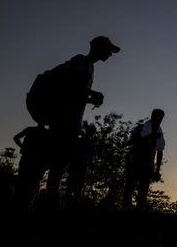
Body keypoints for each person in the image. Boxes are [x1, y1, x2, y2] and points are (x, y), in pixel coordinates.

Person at [44, 36, 120, 210]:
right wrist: (93, 93)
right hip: (64, 121)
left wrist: (89, 98)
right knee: (58, 164)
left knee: (60, 164)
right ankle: (50, 204)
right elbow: (71, 85)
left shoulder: (89, 66)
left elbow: (73, 93)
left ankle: (53, 201)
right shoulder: (81, 61)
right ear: (98, 48)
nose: (109, 54)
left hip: (69, 121)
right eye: (108, 50)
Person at [123, 109, 165, 211]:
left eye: (160, 118)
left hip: (147, 166)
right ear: (152, 116)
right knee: (129, 190)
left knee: (143, 193)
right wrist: (149, 137)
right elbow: (132, 141)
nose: (159, 120)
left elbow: (160, 151)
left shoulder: (159, 132)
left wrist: (157, 170)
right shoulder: (141, 128)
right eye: (157, 117)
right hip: (135, 163)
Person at [13, 125, 50, 211]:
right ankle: (25, 207)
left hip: (27, 161)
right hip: (36, 163)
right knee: (30, 186)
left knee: (22, 185)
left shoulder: (30, 129)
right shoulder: (47, 133)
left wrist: (22, 147)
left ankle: (19, 206)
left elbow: (16, 138)